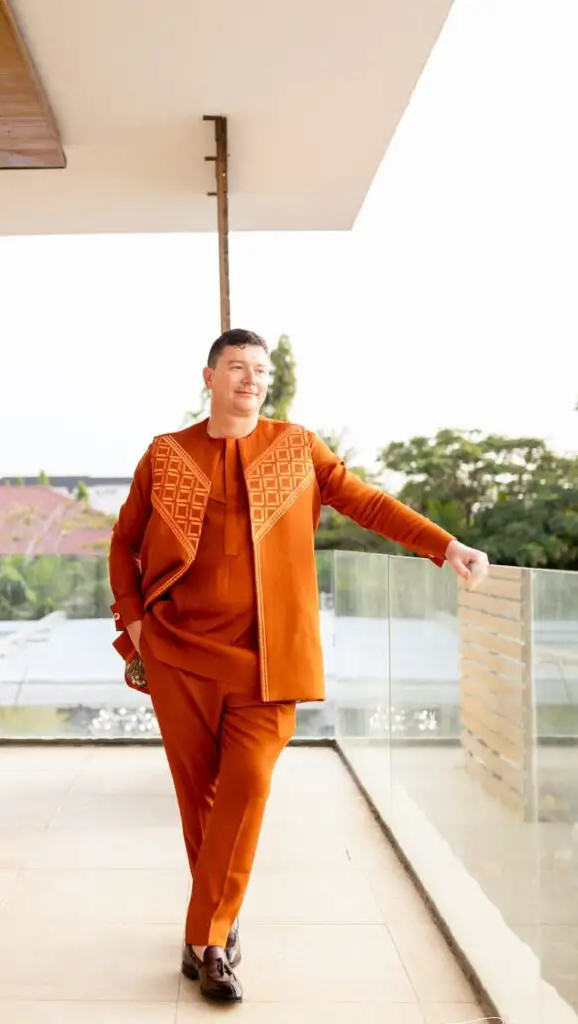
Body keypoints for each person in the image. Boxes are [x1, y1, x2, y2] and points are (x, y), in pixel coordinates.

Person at [108, 328, 488, 1004]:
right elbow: (124, 541)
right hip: (179, 654)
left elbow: (364, 501)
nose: (250, 379)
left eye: (258, 369)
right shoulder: (166, 455)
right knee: (199, 803)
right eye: (236, 368)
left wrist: (444, 544)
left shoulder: (295, 447)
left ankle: (204, 937)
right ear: (209, 377)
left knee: (247, 784)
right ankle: (216, 936)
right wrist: (134, 623)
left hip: (268, 659)